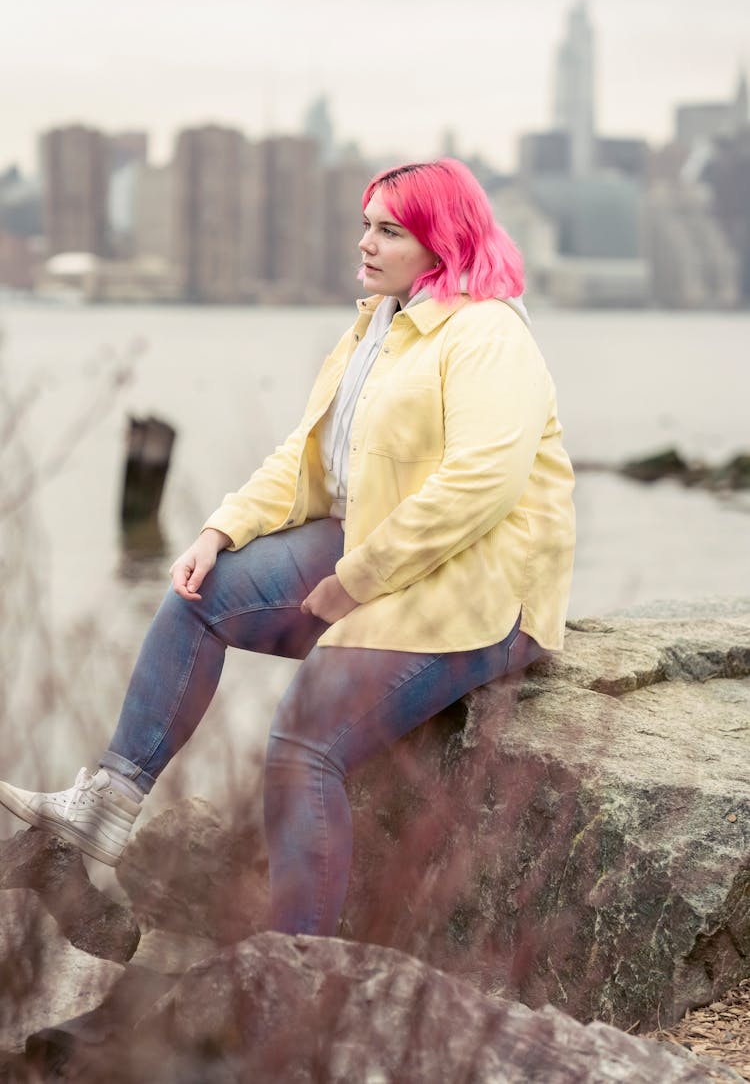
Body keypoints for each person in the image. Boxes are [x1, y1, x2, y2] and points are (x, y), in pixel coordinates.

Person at [0, 159, 575, 937]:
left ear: (443, 242)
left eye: (390, 231)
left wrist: (352, 580)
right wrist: (219, 529)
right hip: (382, 550)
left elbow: (480, 486)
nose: (365, 243)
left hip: (480, 588)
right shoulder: (378, 324)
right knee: (198, 594)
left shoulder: (487, 334)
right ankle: (110, 801)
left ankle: (295, 973)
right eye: (366, 224)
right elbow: (309, 459)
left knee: (303, 742)